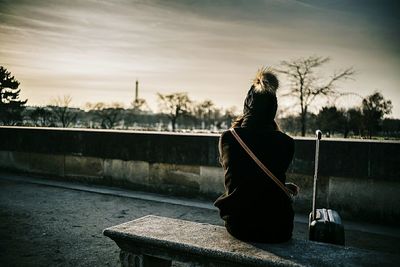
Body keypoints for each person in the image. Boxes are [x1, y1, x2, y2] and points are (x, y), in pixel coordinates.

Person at [214, 67, 297, 243]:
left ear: (247, 104)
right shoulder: (287, 143)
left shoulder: (229, 138)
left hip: (241, 225)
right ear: (273, 108)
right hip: (278, 228)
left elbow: (238, 177)